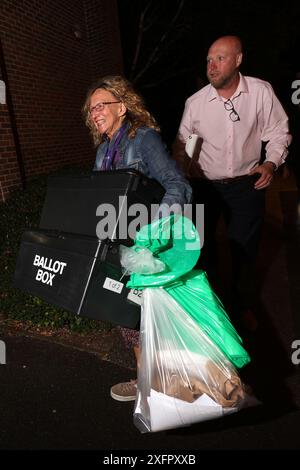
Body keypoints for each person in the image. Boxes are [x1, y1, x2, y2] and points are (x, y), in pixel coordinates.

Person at [82, 75, 192, 401]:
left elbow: (177, 185)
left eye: (102, 105)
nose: (95, 113)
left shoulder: (142, 139)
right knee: (127, 315)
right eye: (91, 109)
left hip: (151, 244)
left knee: (159, 317)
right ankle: (146, 381)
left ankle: (181, 383)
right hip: (120, 243)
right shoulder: (103, 151)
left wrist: (153, 232)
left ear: (123, 106)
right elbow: (101, 197)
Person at [173, 35, 291, 332]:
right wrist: (179, 173)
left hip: (246, 186)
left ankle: (241, 309)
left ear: (238, 59)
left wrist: (270, 162)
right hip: (204, 187)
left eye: (220, 58)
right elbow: (183, 144)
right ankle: (210, 313)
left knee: (244, 252)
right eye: (209, 60)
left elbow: (278, 132)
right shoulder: (196, 102)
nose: (212, 66)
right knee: (202, 250)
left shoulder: (261, 93)